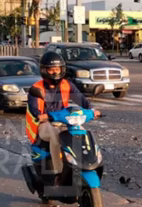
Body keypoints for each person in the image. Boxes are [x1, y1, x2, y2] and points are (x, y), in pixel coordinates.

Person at [25, 52, 92, 185]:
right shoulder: (36, 88)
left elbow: (81, 99)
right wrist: (41, 115)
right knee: (56, 135)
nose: (55, 72)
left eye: (57, 69)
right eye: (51, 69)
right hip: (44, 124)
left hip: (64, 120)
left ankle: (84, 165)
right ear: (44, 70)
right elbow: (34, 109)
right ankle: (58, 173)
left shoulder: (67, 85)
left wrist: (92, 109)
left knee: (81, 132)